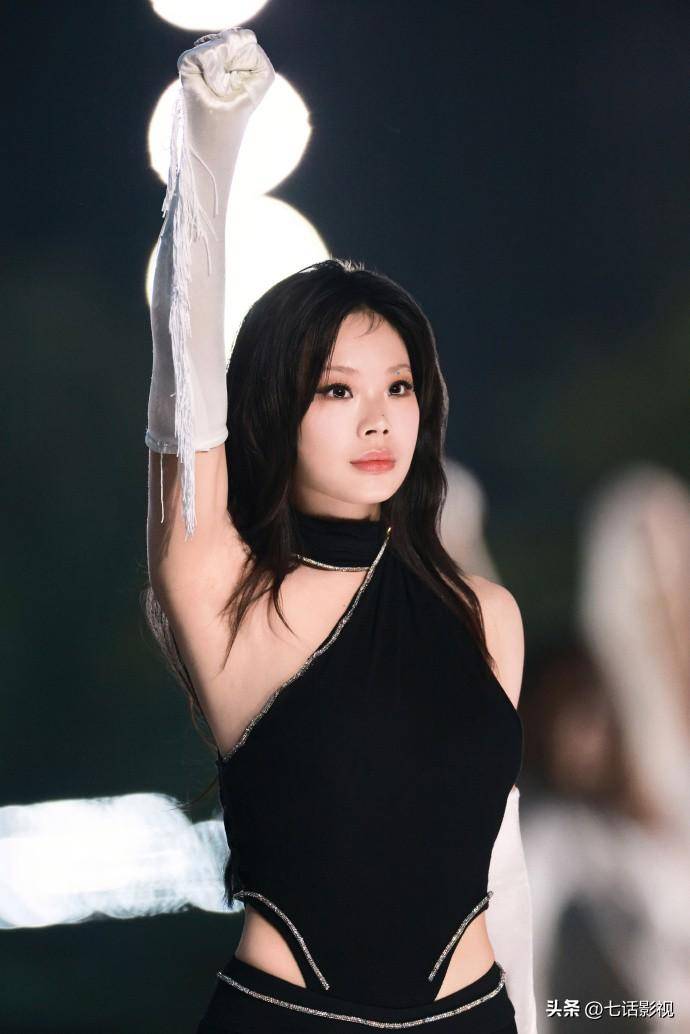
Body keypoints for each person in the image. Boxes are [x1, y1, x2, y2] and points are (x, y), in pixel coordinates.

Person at [143, 26, 538, 1034]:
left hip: (475, 1014)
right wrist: (208, 149)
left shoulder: (487, 615)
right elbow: (184, 388)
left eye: (398, 387)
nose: (378, 419)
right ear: (276, 408)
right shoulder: (232, 598)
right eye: (335, 389)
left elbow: (506, 873)